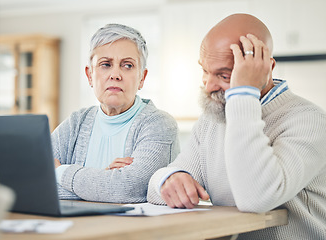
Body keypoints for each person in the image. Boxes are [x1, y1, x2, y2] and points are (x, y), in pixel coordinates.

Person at [147, 13, 326, 239]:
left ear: (265, 68)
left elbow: (256, 197)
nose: (209, 85)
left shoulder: (309, 120)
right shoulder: (212, 118)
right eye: (204, 71)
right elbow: (156, 186)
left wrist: (243, 93)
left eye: (224, 75)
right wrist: (169, 179)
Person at [52, 23, 179, 203]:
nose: (115, 74)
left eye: (127, 65)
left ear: (142, 78)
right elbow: (31, 178)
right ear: (90, 75)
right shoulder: (76, 123)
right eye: (105, 64)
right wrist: (103, 182)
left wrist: (60, 172)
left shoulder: (160, 124)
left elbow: (127, 188)